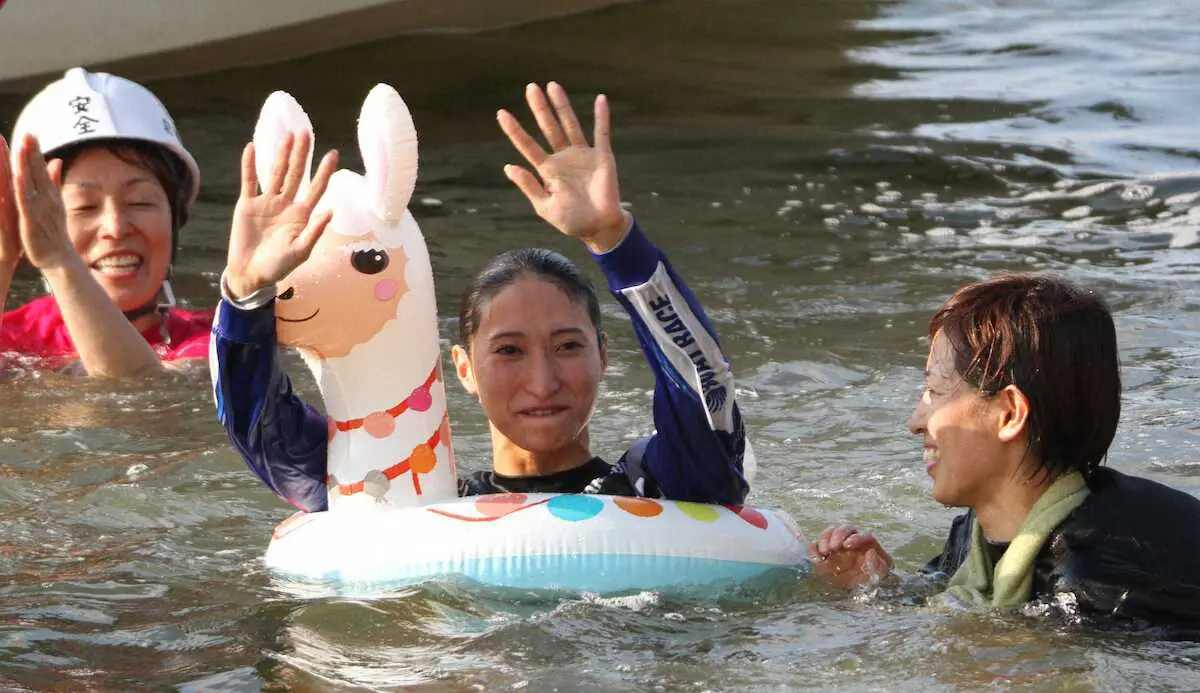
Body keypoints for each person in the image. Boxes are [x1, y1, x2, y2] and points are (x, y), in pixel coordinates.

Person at [210, 82, 749, 509]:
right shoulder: (409, 499)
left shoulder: (662, 485)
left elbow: (703, 384)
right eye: (509, 350)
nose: (543, 382)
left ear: (603, 356)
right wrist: (246, 294)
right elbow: (261, 430)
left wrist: (616, 241)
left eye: (567, 346)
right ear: (463, 369)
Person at [810, 274, 1200, 629]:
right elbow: (948, 603)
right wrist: (877, 588)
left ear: (1009, 413)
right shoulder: (976, 535)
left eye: (934, 391)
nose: (915, 421)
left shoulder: (1101, 577)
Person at [0, 67, 210, 376]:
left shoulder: (217, 342)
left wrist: (61, 261)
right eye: (85, 207)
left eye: (140, 202)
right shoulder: (13, 339)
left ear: (175, 217)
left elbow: (134, 395)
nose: (115, 228)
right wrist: (3, 259)